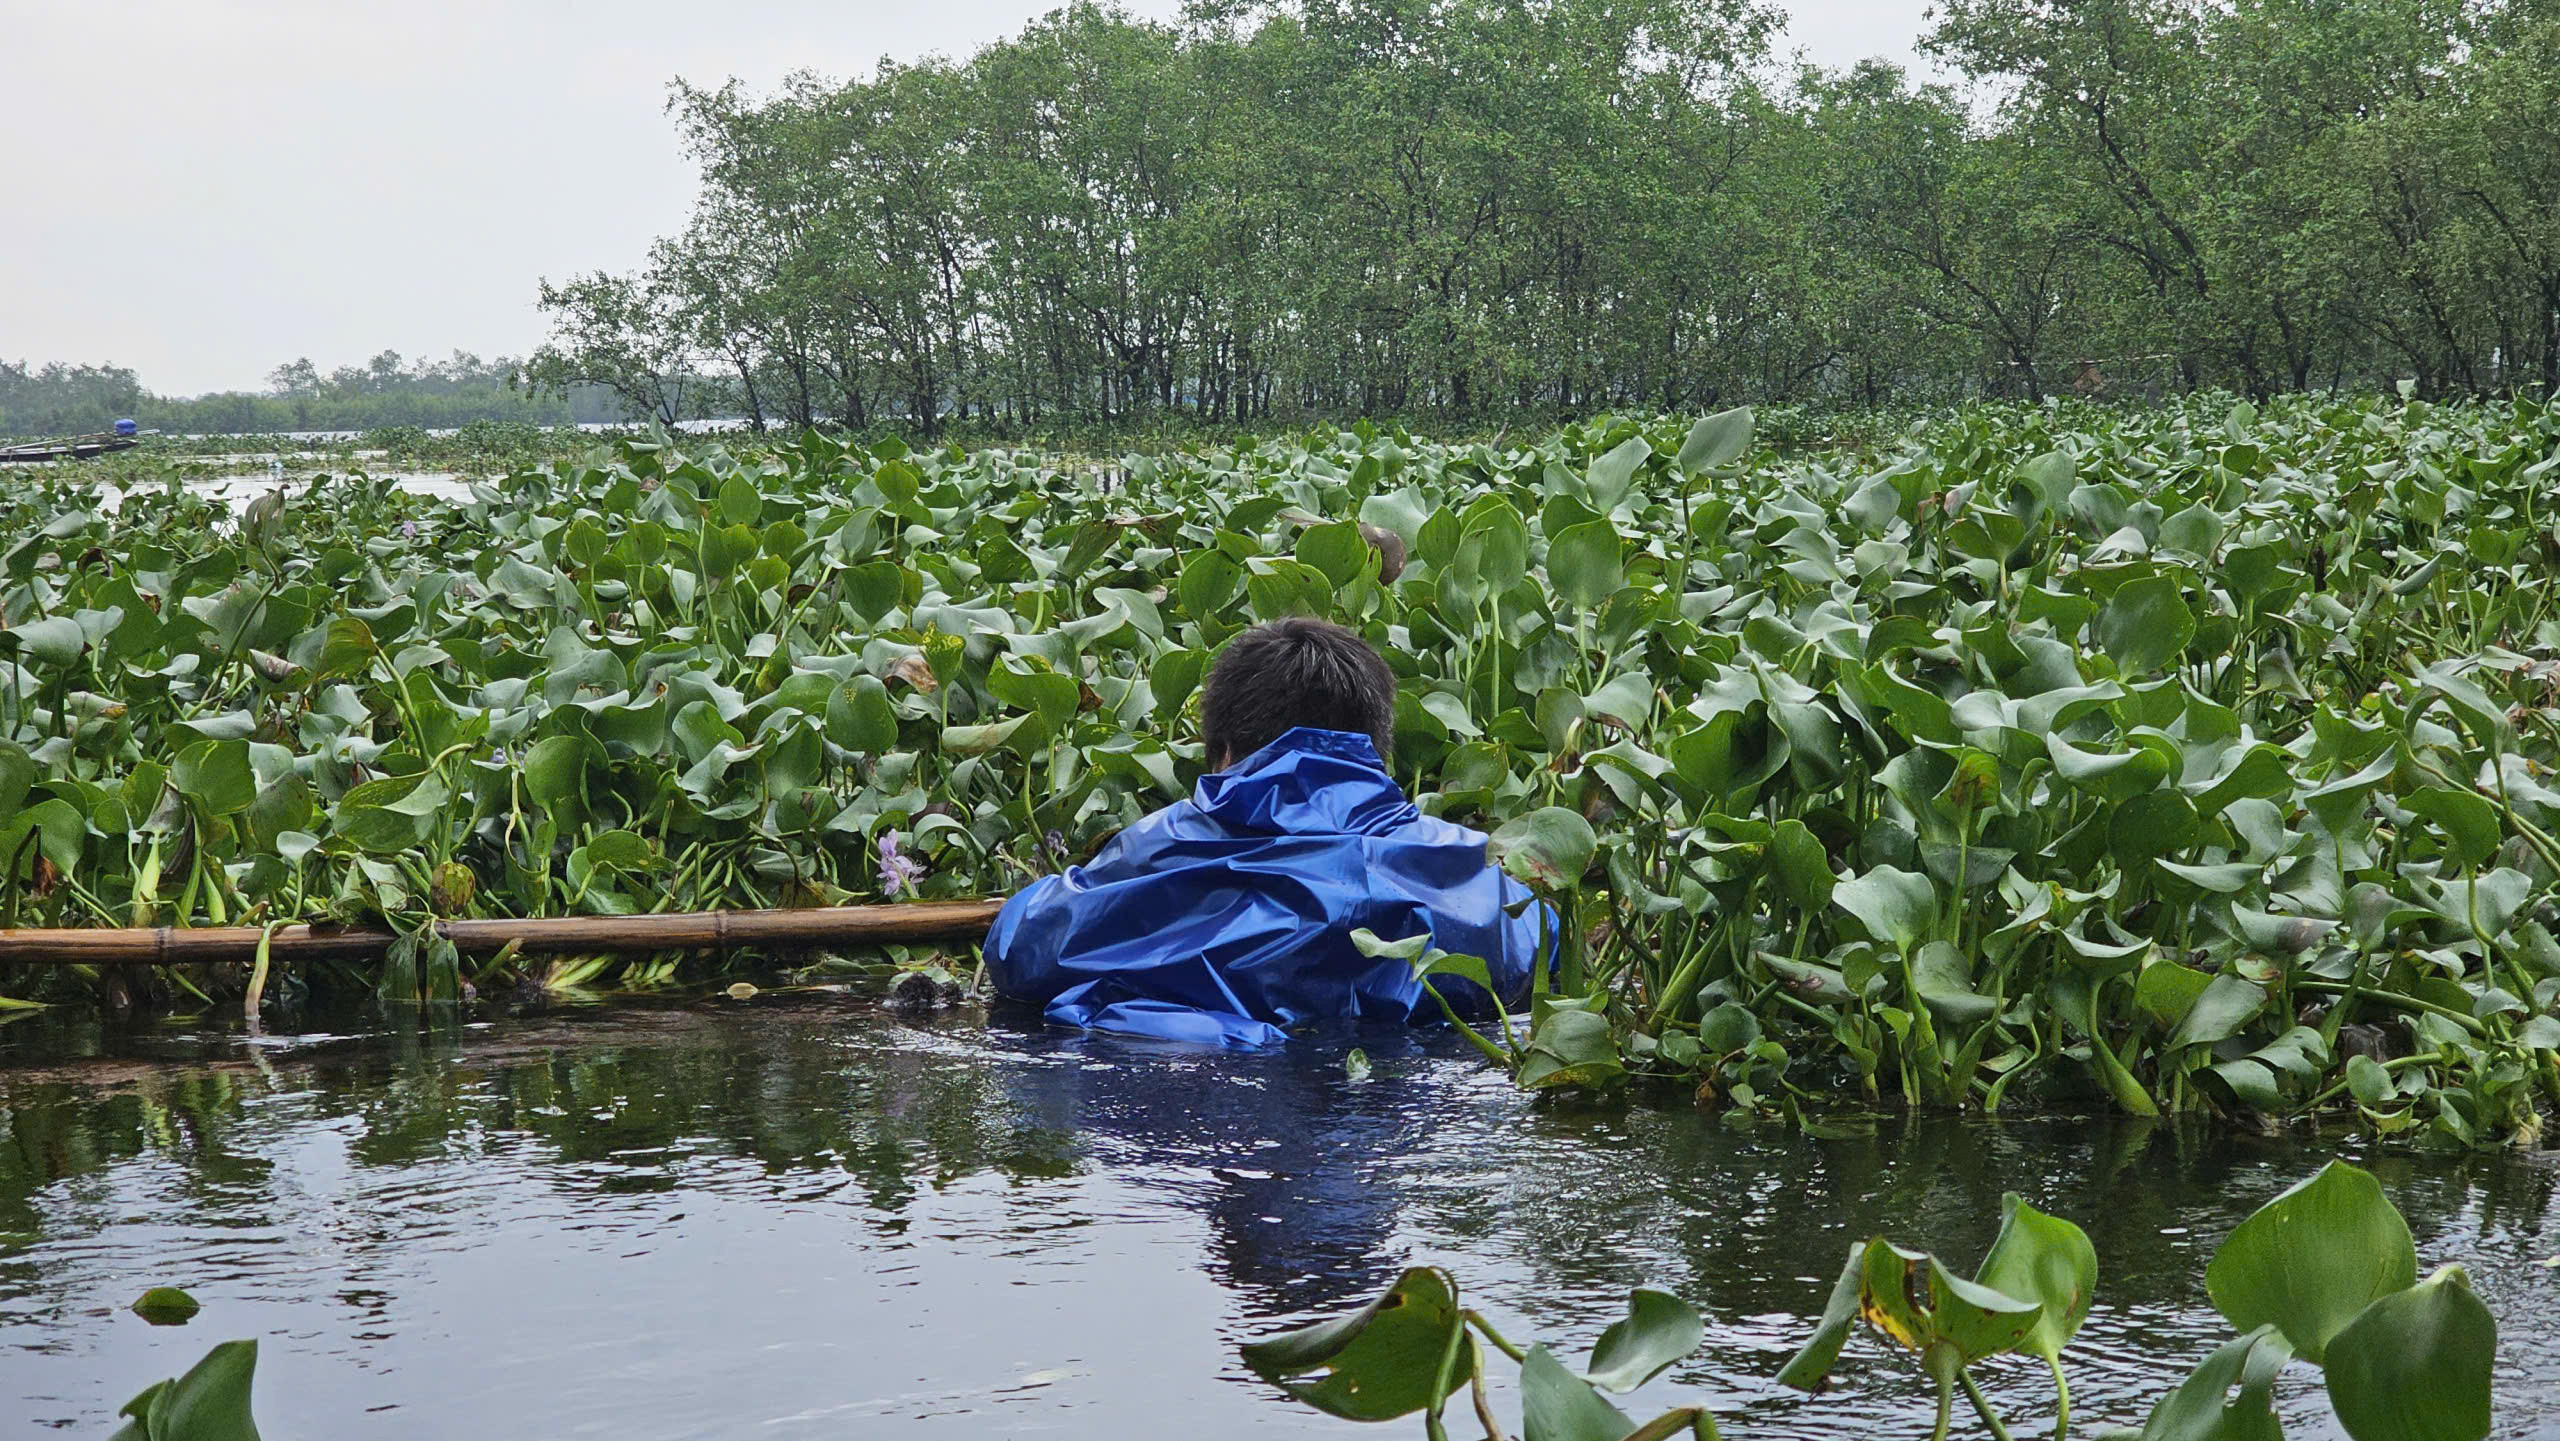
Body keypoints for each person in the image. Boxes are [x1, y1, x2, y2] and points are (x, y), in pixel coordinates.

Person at [983, 618, 1552, 1045]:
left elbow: (1021, 952)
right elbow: (1544, 954)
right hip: (1404, 1131)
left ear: (1223, 752)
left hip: (1195, 1103)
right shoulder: (1490, 876)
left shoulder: (1163, 844)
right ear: (1377, 750)